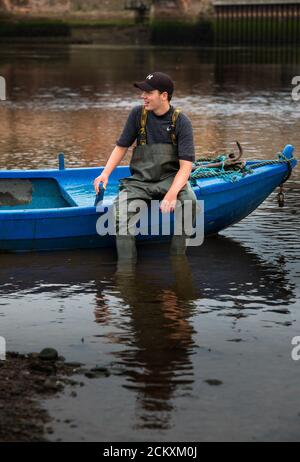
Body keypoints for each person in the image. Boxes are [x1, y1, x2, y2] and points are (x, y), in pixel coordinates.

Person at [94, 71, 197, 261]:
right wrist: (105, 174)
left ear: (164, 96)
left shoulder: (181, 121)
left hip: (170, 179)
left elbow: (185, 167)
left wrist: (172, 194)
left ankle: (177, 258)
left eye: (148, 93)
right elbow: (121, 147)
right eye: (143, 92)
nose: (143, 96)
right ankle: (126, 273)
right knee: (119, 214)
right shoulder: (137, 114)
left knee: (190, 202)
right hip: (140, 181)